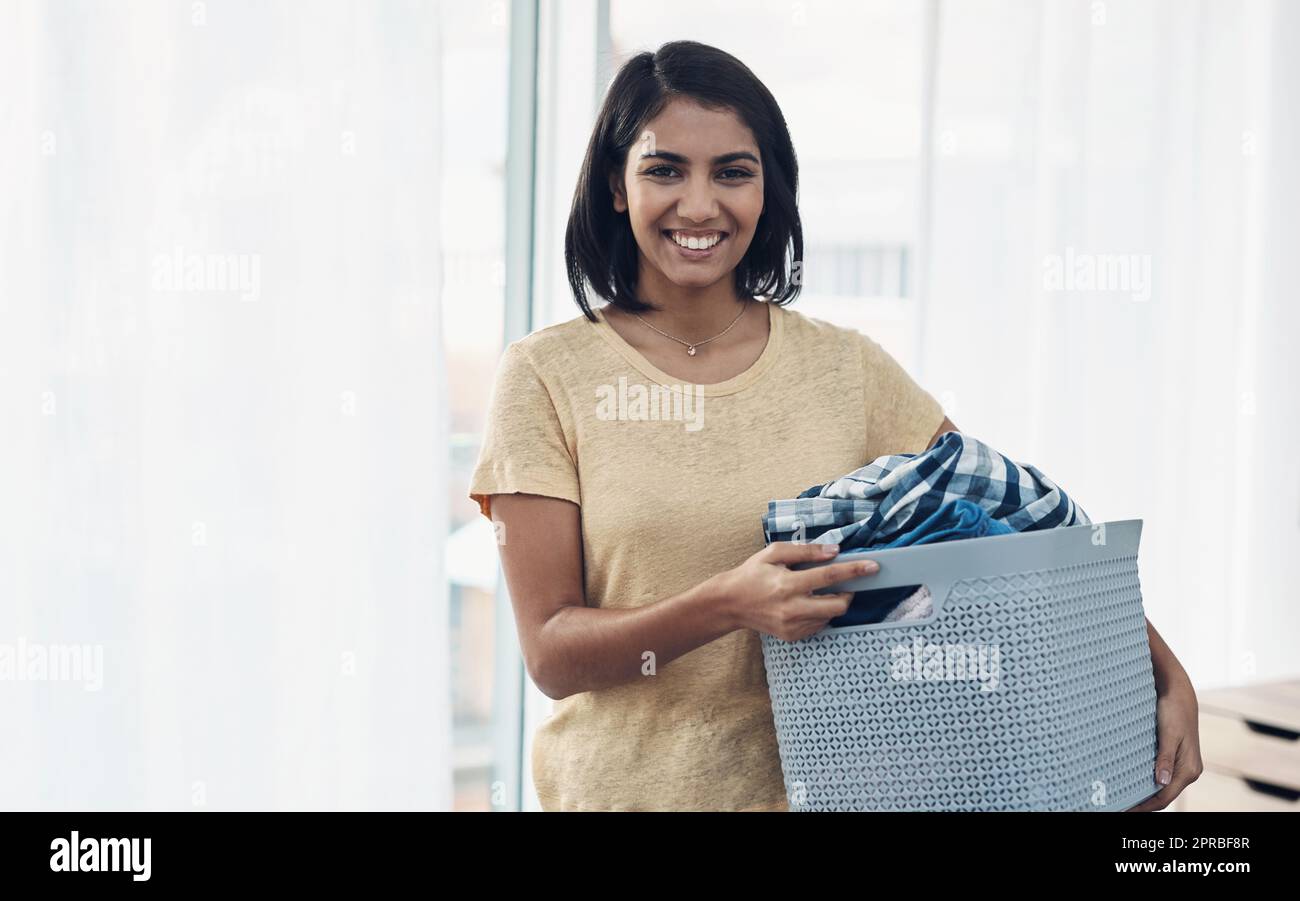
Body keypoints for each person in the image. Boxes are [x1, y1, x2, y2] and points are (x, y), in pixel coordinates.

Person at [468, 39, 1201, 812]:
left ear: (768, 188)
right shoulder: (546, 376)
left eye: (732, 171)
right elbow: (551, 651)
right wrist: (729, 603)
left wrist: (1164, 673)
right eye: (664, 169)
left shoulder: (847, 369)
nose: (698, 204)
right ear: (618, 187)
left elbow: (1018, 535)